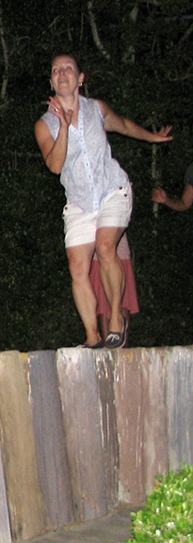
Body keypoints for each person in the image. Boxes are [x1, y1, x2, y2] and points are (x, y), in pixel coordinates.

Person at [35, 53, 172, 348]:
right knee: (77, 266)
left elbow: (122, 124)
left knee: (107, 246)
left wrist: (151, 138)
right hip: (81, 202)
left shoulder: (96, 108)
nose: (62, 73)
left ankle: (115, 321)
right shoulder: (45, 125)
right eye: (56, 70)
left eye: (68, 68)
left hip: (113, 191)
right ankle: (91, 336)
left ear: (80, 78)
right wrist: (65, 127)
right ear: (51, 82)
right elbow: (55, 166)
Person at [89, 234, 139, 346]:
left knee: (121, 298)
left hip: (114, 237)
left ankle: (122, 344)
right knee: (102, 300)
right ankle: (109, 345)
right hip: (93, 238)